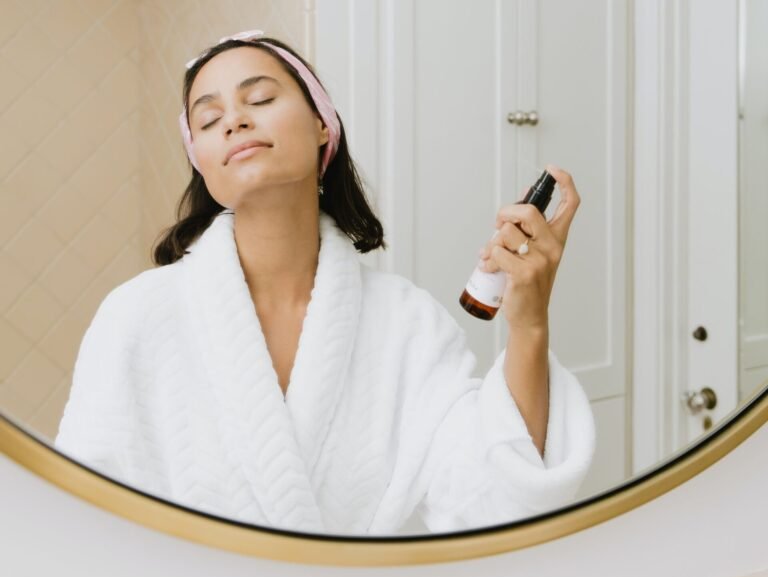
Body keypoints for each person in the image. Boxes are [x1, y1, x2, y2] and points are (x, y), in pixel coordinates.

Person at [54, 30, 595, 535]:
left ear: (322, 125)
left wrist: (528, 322)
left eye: (260, 99)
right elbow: (81, 526)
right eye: (208, 117)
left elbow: (493, 501)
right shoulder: (136, 317)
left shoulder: (408, 325)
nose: (235, 121)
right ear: (201, 161)